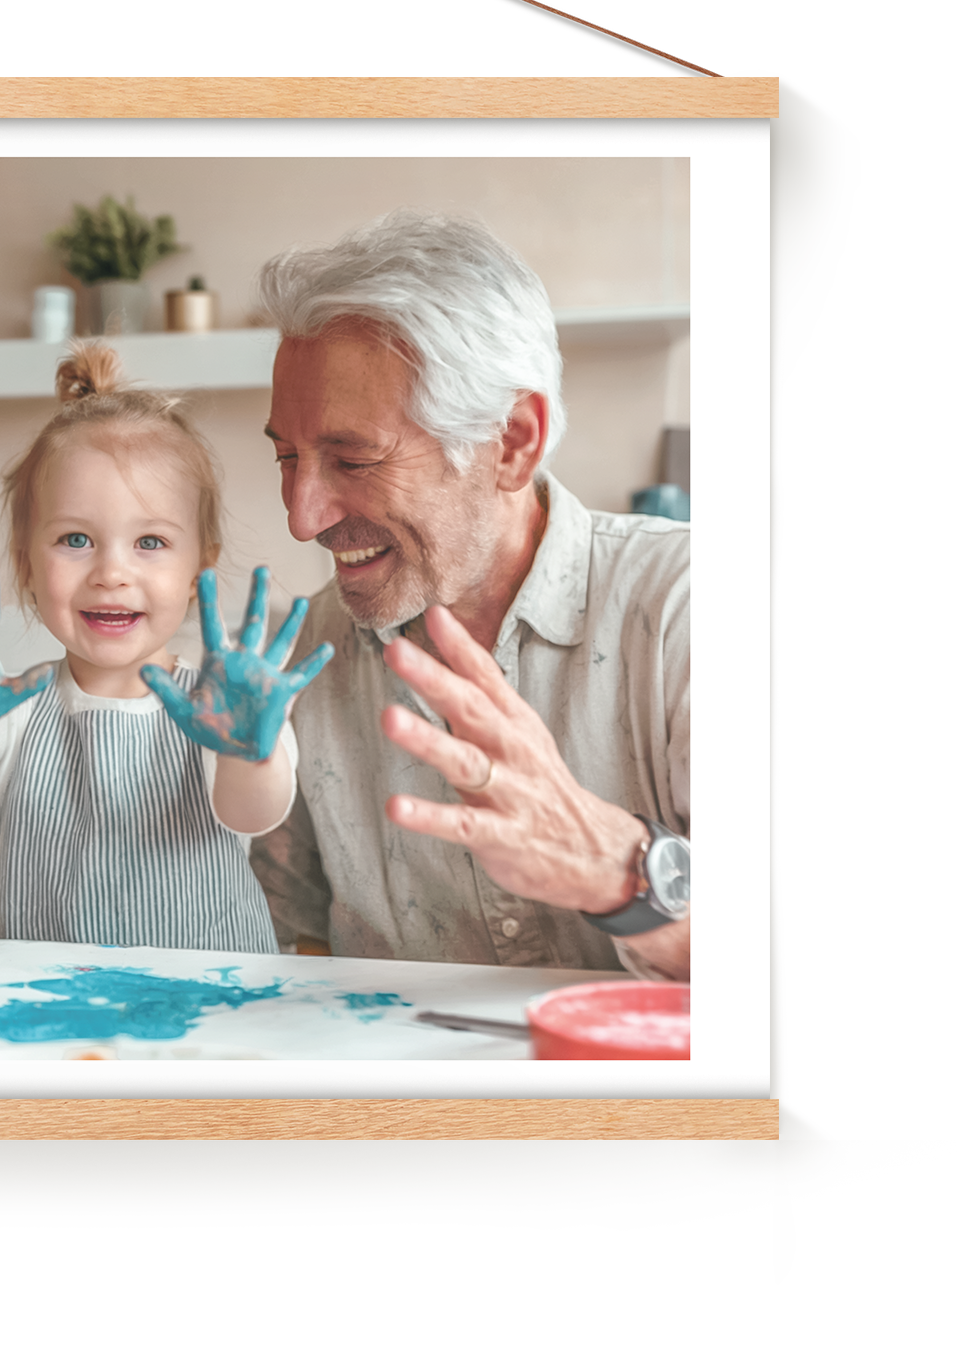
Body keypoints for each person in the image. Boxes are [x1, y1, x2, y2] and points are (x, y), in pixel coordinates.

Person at [248, 210, 691, 981]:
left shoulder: (692, 609)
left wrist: (619, 872)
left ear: (512, 442)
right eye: (288, 457)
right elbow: (282, 946)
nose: (302, 516)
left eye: (352, 460)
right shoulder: (303, 654)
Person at [0, 342, 332, 955]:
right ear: (26, 564)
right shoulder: (10, 709)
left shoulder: (225, 708)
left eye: (150, 543)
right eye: (76, 538)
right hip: (29, 1001)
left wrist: (251, 754)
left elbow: (254, 815)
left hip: (204, 1004)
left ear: (202, 566)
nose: (111, 572)